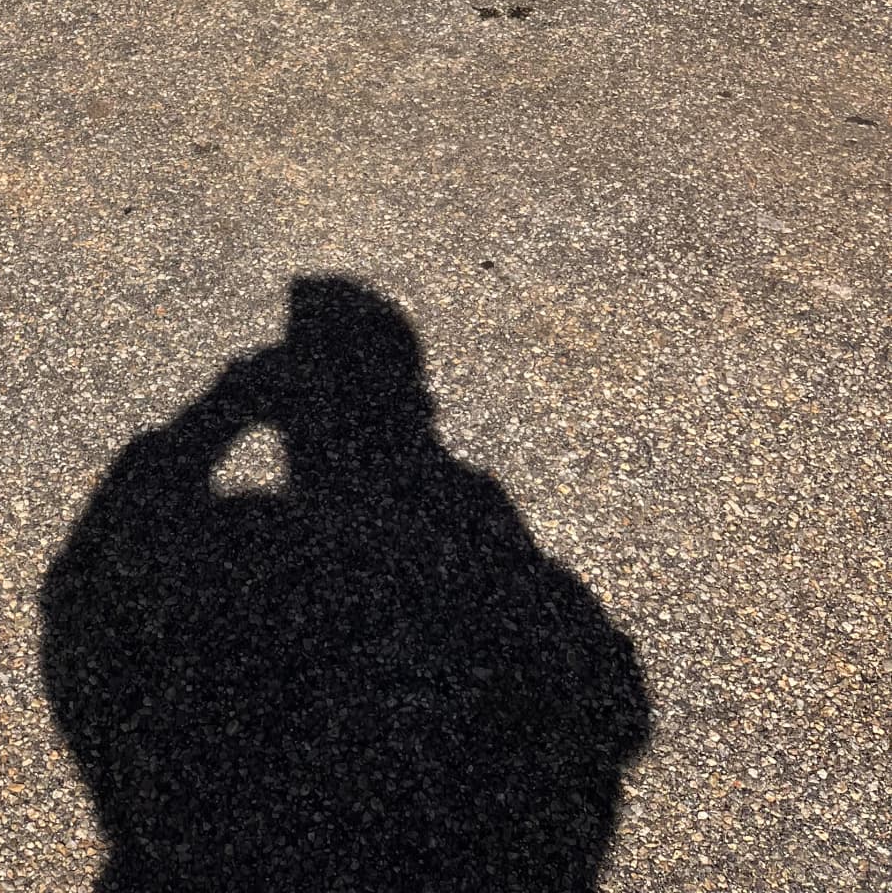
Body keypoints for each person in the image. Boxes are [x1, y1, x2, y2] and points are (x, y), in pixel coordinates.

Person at [41, 278, 650, 891]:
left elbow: (90, 579)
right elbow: (601, 694)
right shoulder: (469, 507)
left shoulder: (461, 508)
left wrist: (222, 407)